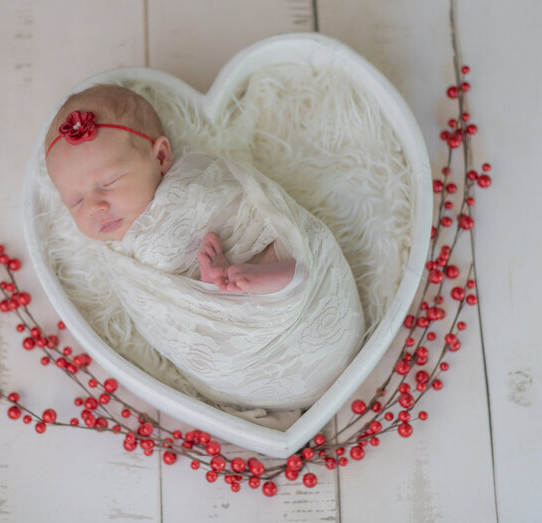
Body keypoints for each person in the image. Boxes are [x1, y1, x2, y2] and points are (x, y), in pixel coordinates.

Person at [44, 84, 364, 411]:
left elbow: (246, 209)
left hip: (305, 302)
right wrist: (205, 290)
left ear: (162, 157)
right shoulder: (118, 257)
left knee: (276, 242)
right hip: (260, 363)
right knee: (220, 326)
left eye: (109, 182)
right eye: (75, 201)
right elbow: (166, 318)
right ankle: (260, 285)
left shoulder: (192, 184)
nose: (95, 206)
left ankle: (278, 279)